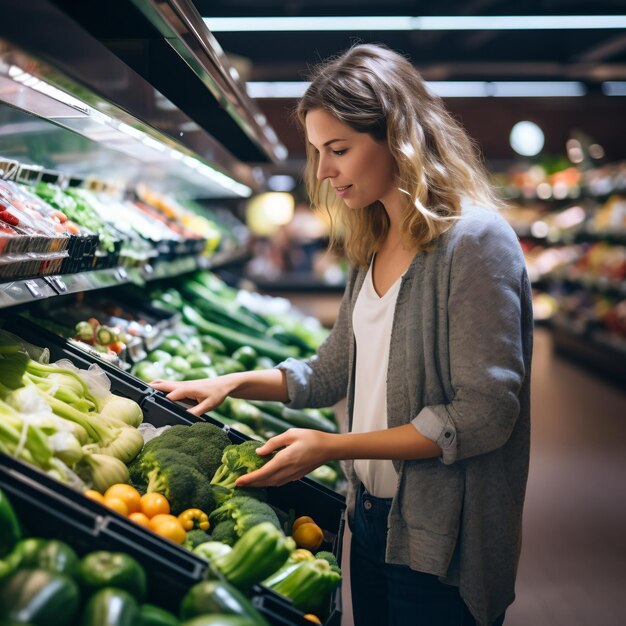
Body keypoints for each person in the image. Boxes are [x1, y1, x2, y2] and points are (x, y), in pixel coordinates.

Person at [151, 43, 533, 626]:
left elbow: (483, 414)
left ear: (399, 139)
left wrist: (332, 446)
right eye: (317, 152)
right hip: (370, 516)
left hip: (442, 534)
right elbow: (332, 369)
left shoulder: (475, 243)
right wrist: (231, 382)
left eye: (339, 150)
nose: (324, 172)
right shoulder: (373, 241)